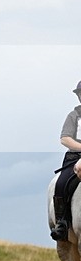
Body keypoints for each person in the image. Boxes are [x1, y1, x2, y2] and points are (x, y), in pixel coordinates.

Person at [51, 80, 81, 241]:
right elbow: (65, 139)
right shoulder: (73, 116)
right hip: (75, 157)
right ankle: (61, 223)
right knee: (61, 183)